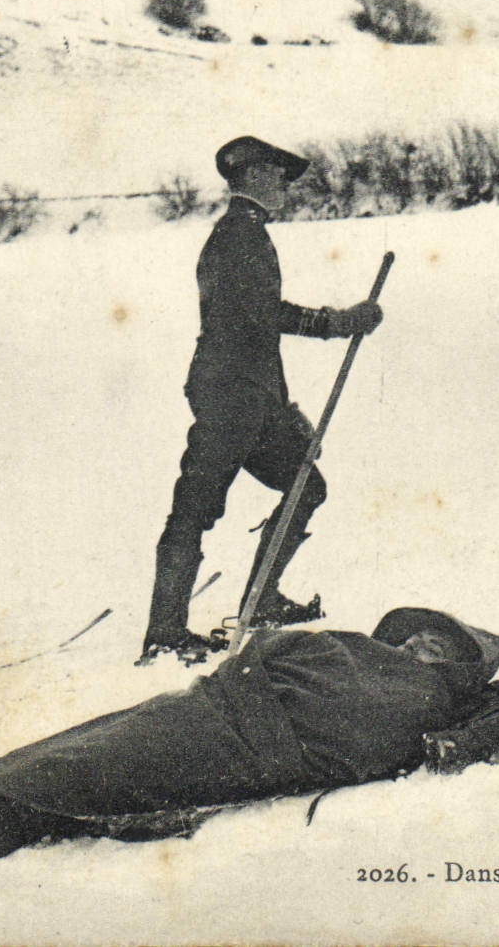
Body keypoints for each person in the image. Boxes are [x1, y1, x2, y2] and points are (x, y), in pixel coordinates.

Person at [0, 607, 499, 891]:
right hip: (209, 711)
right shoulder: (355, 649)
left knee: (58, 783)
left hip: (240, 746)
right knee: (40, 763)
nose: (428, 648)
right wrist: (252, 672)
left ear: (462, 671)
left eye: (446, 648)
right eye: (425, 636)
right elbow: (274, 650)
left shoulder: (435, 704)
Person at [143, 136, 384, 664]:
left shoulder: (248, 235)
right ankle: (164, 630)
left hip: (252, 397)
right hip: (229, 398)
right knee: (195, 508)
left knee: (305, 485)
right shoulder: (236, 239)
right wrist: (336, 322)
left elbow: (258, 338)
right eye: (277, 176)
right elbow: (261, 317)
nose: (284, 188)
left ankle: (261, 601)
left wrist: (285, 411)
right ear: (251, 176)